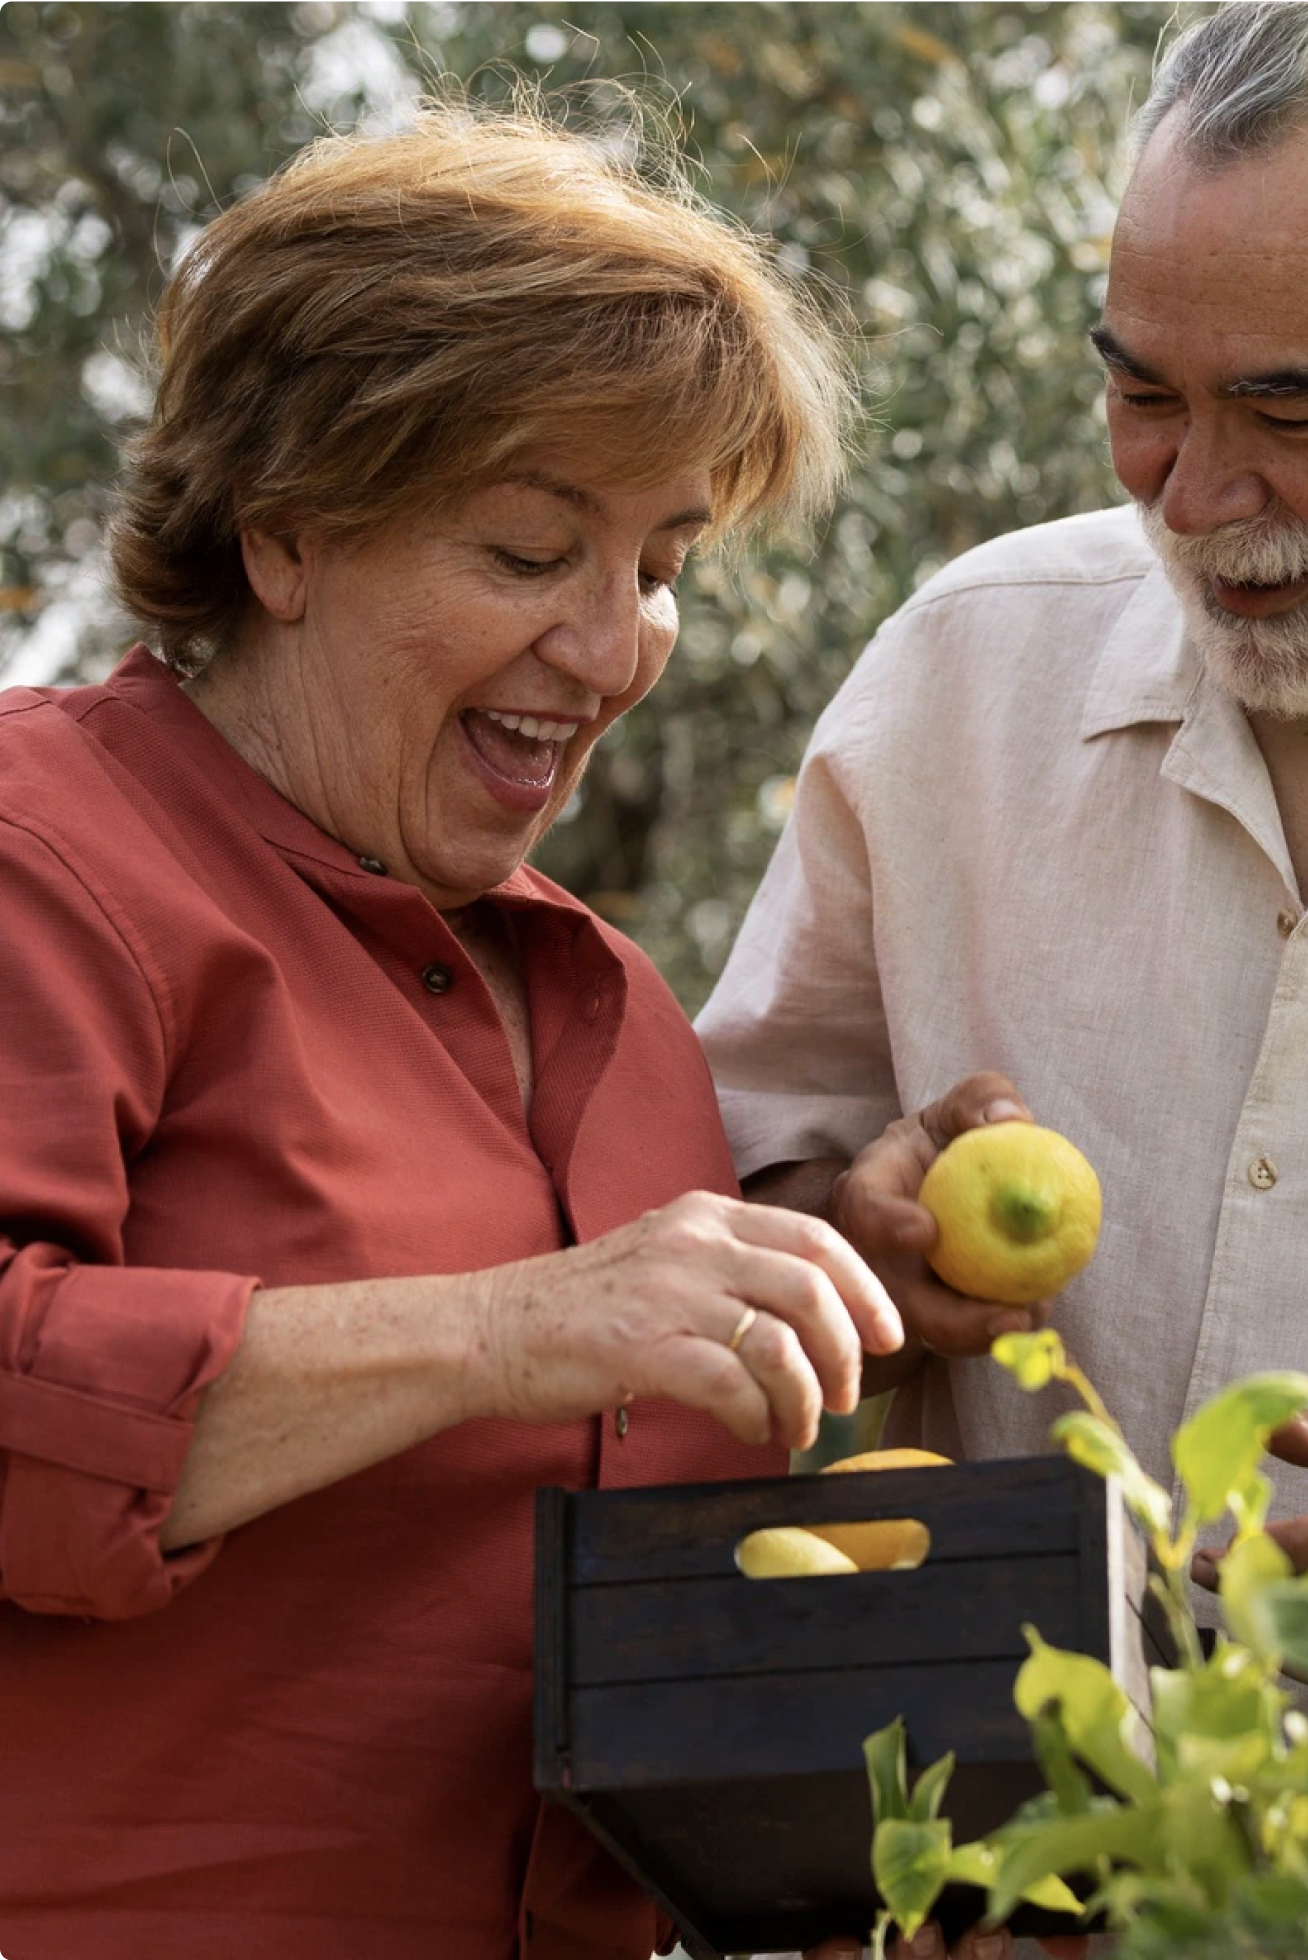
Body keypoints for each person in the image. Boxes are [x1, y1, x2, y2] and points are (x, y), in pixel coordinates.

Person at [701, 0, 1308, 1826]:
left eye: (1294, 405)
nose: (1199, 497)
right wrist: (856, 1245)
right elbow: (743, 1198)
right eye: (1143, 392)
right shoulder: (964, 683)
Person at [0, 100, 906, 1960]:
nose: (615, 645)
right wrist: (510, 1327)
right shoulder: (47, 855)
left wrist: (845, 1280)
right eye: (526, 550)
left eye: (660, 562)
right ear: (284, 532)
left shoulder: (618, 1012)